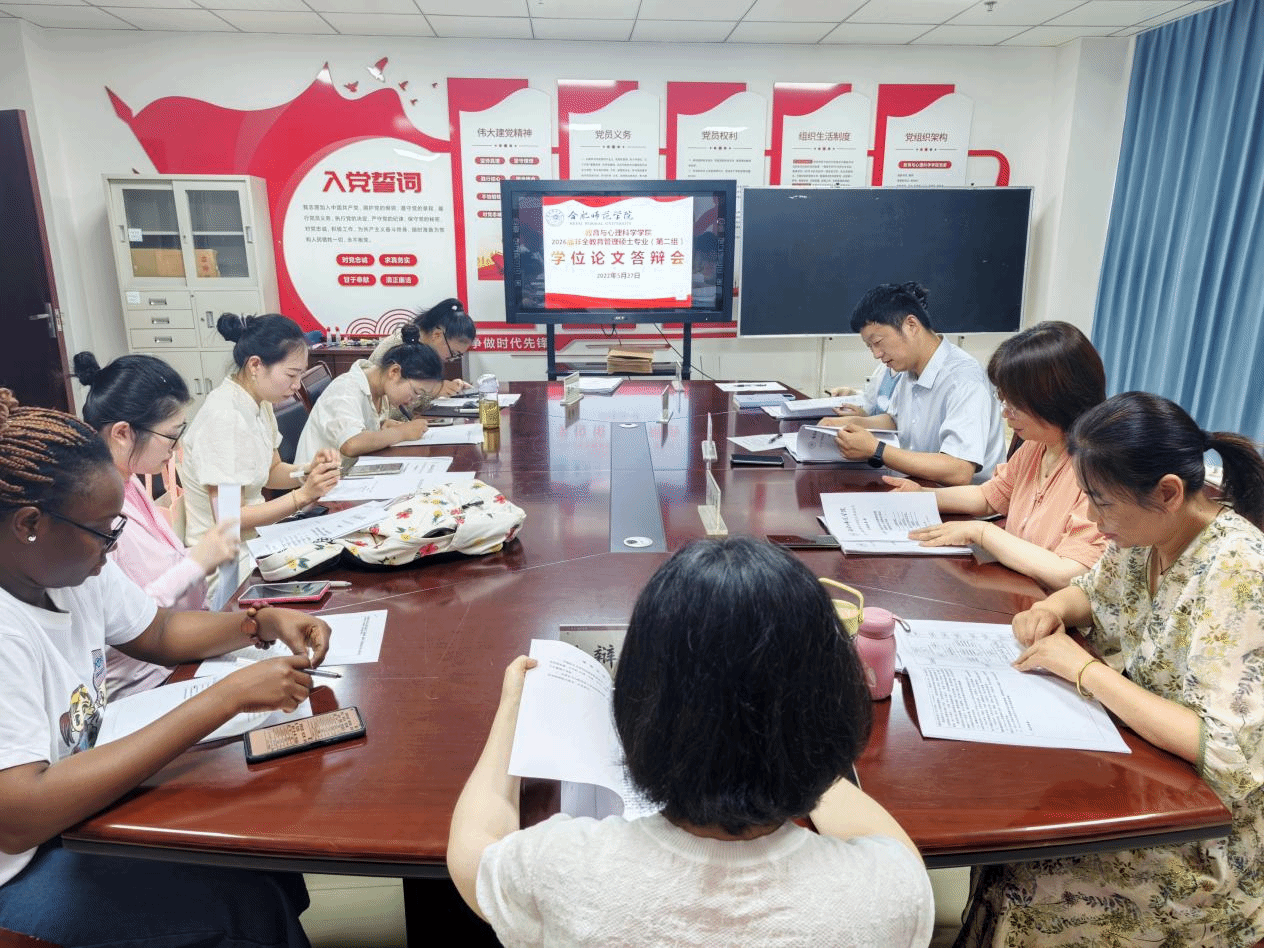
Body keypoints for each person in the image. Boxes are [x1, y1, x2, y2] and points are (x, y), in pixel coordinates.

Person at [448, 537, 935, 947]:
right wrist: (790, 734)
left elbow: (472, 849)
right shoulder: (887, 894)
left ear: (638, 712)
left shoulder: (562, 870)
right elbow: (902, 858)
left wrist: (513, 708)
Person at [0, 388, 329, 947]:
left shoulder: (71, 570)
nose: (112, 548)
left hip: (62, 822)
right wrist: (224, 698)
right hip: (18, 871)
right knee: (237, 904)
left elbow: (157, 631)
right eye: (104, 531)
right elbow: (19, 816)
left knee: (253, 850)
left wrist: (259, 623)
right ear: (30, 523)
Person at [956, 392, 1264, 948]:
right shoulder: (1148, 533)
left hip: (1211, 831)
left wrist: (1086, 672)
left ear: (1167, 492)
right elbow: (1094, 593)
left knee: (1032, 876)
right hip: (1147, 768)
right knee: (1014, 840)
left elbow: (1223, 748)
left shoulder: (1238, 574)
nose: (1094, 522)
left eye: (1101, 505)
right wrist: (1053, 609)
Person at [884, 321, 1108, 590]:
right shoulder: (1037, 445)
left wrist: (982, 532)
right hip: (1017, 589)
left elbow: (1069, 573)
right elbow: (990, 496)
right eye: (1004, 400)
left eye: (1015, 404)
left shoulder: (1098, 468)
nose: (1005, 413)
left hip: (1051, 604)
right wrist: (922, 496)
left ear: (1054, 399)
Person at [73, 351, 241, 698]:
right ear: (123, 433)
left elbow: (157, 566)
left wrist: (201, 556)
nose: (175, 449)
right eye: (171, 436)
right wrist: (198, 562)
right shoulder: (95, 509)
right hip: (147, 681)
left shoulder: (127, 479)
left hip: (180, 653)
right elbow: (128, 619)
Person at [180, 314, 340, 574]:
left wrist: (310, 471)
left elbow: (272, 471)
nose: (297, 385)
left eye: (300, 375)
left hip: (256, 542)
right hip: (226, 564)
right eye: (291, 374)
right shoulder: (225, 418)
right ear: (255, 365)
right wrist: (303, 495)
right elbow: (230, 519)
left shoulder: (259, 403)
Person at [818, 283, 1005, 485]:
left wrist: (876, 449)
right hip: (917, 484)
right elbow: (896, 421)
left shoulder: (963, 380)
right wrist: (850, 424)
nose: (876, 354)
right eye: (870, 346)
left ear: (911, 326)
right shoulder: (910, 368)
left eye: (878, 342)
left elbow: (959, 470)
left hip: (957, 498)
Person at [295, 325, 445, 466]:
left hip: (348, 472)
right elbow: (350, 444)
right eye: (416, 392)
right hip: (318, 480)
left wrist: (382, 427)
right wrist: (401, 433)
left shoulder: (380, 389)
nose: (414, 400)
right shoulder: (346, 390)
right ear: (394, 372)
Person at [370, 297, 476, 405]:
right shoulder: (400, 347)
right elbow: (393, 405)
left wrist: (448, 389)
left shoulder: (424, 352)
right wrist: (435, 391)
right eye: (453, 353)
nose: (451, 359)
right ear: (437, 335)